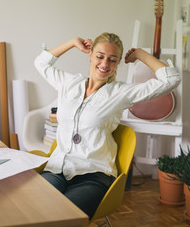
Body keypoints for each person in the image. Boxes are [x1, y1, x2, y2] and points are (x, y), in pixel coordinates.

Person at [34, 32, 181, 219]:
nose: (104, 64)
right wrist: (72, 43)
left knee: (65, 217)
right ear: (90, 55)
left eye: (112, 60)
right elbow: (41, 63)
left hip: (93, 173)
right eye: (100, 56)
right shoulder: (69, 83)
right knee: (33, 207)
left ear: (118, 63)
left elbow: (171, 79)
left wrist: (140, 55)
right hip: (57, 169)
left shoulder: (121, 93)